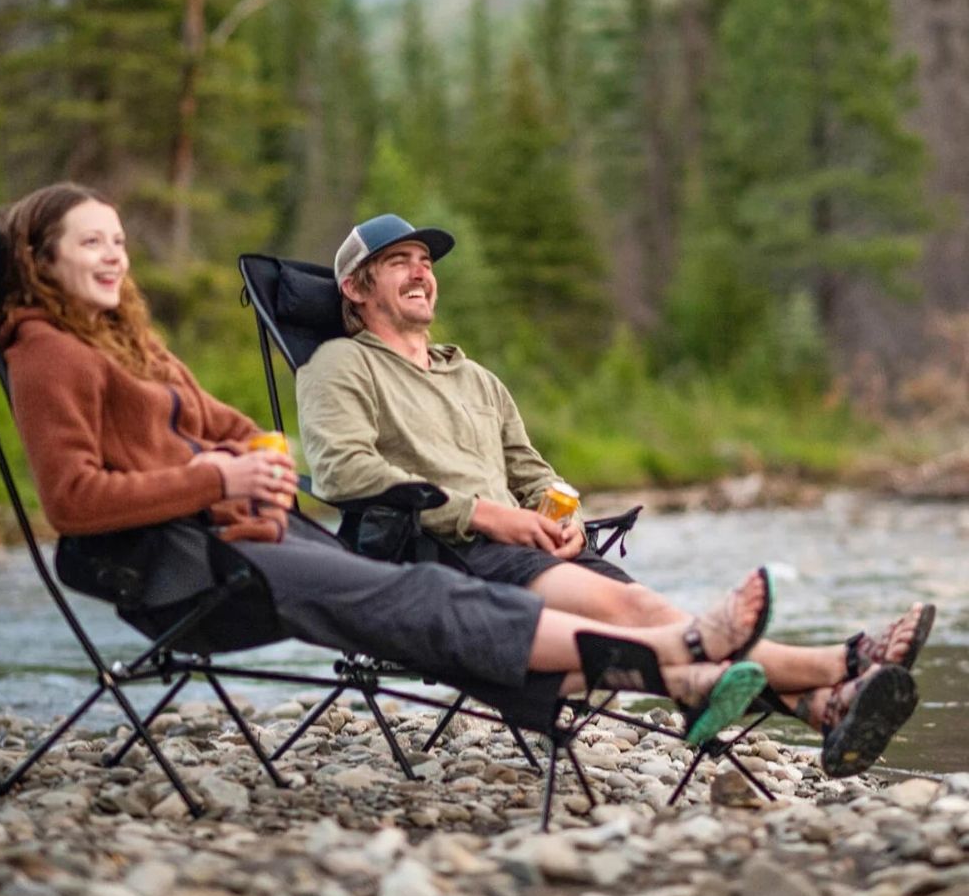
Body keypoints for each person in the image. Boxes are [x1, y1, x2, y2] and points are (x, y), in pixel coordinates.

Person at [0, 181, 776, 748]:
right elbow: (71, 501)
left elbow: (228, 425)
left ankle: (767, 678)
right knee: (435, 598)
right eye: (91, 240)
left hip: (253, 534)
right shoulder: (51, 354)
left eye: (120, 241)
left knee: (482, 604)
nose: (114, 255)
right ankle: (685, 659)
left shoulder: (134, 349)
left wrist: (552, 503)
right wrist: (222, 479)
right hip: (181, 562)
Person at [296, 213, 933, 777]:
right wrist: (479, 513)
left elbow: (532, 471)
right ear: (355, 287)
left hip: (524, 547)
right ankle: (843, 661)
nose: (420, 273)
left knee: (652, 617)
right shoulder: (341, 365)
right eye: (396, 263)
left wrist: (558, 511)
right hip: (439, 556)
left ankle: (823, 708)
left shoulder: (476, 378)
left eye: (426, 263)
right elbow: (340, 471)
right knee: (644, 615)